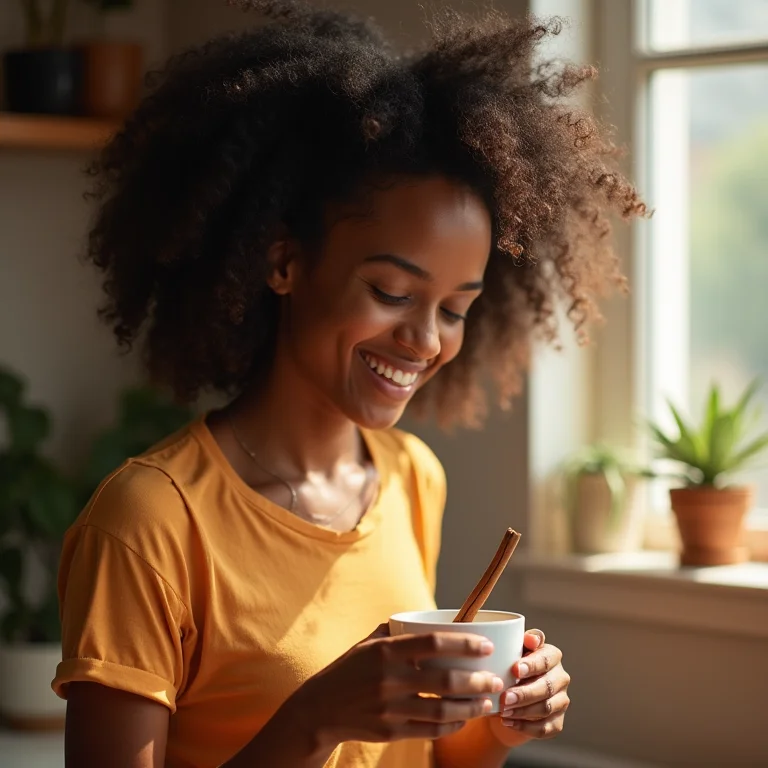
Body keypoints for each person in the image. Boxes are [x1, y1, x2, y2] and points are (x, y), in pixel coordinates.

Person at [52, 1, 645, 766]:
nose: (425, 340)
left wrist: (499, 725)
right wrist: (314, 720)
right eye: (392, 292)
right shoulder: (150, 523)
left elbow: (428, 757)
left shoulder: (410, 477)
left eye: (455, 310)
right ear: (284, 263)